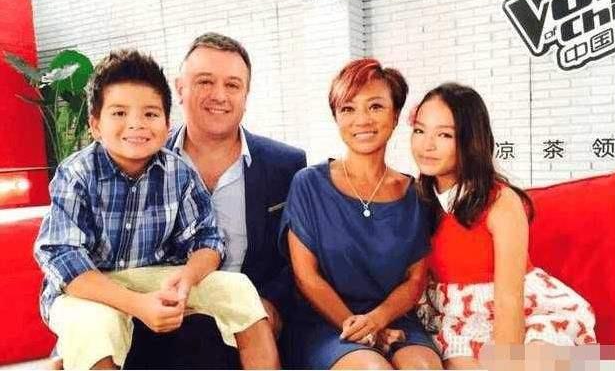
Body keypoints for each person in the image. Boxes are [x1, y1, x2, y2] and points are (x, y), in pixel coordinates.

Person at [34, 49, 278, 370]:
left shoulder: (179, 172)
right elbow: (63, 259)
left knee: (238, 289)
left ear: (166, 123)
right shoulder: (77, 173)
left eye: (150, 114)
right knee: (94, 327)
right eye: (119, 113)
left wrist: (187, 278)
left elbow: (208, 240)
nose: (136, 125)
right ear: (95, 124)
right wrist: (137, 304)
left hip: (154, 276)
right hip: (88, 285)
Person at [125, 33, 307, 368]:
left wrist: (273, 307)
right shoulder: (139, 158)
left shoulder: (286, 165)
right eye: (205, 81)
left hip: (247, 328)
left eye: (232, 85)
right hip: (156, 325)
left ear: (246, 94)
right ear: (180, 88)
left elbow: (296, 262)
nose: (219, 95)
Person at [409, 82, 597, 369]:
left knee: (533, 362)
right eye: (420, 130)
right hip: (459, 319)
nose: (427, 145)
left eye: (444, 134)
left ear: (471, 140)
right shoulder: (416, 200)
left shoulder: (500, 201)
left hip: (522, 311)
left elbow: (509, 298)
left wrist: (507, 363)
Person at [279, 58, 442, 370]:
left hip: (394, 318)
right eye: (348, 109)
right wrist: (364, 330)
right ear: (336, 118)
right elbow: (306, 277)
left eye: (375, 106)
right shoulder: (309, 184)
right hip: (327, 323)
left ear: (395, 115)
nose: (362, 120)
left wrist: (378, 320)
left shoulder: (416, 194)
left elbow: (415, 280)